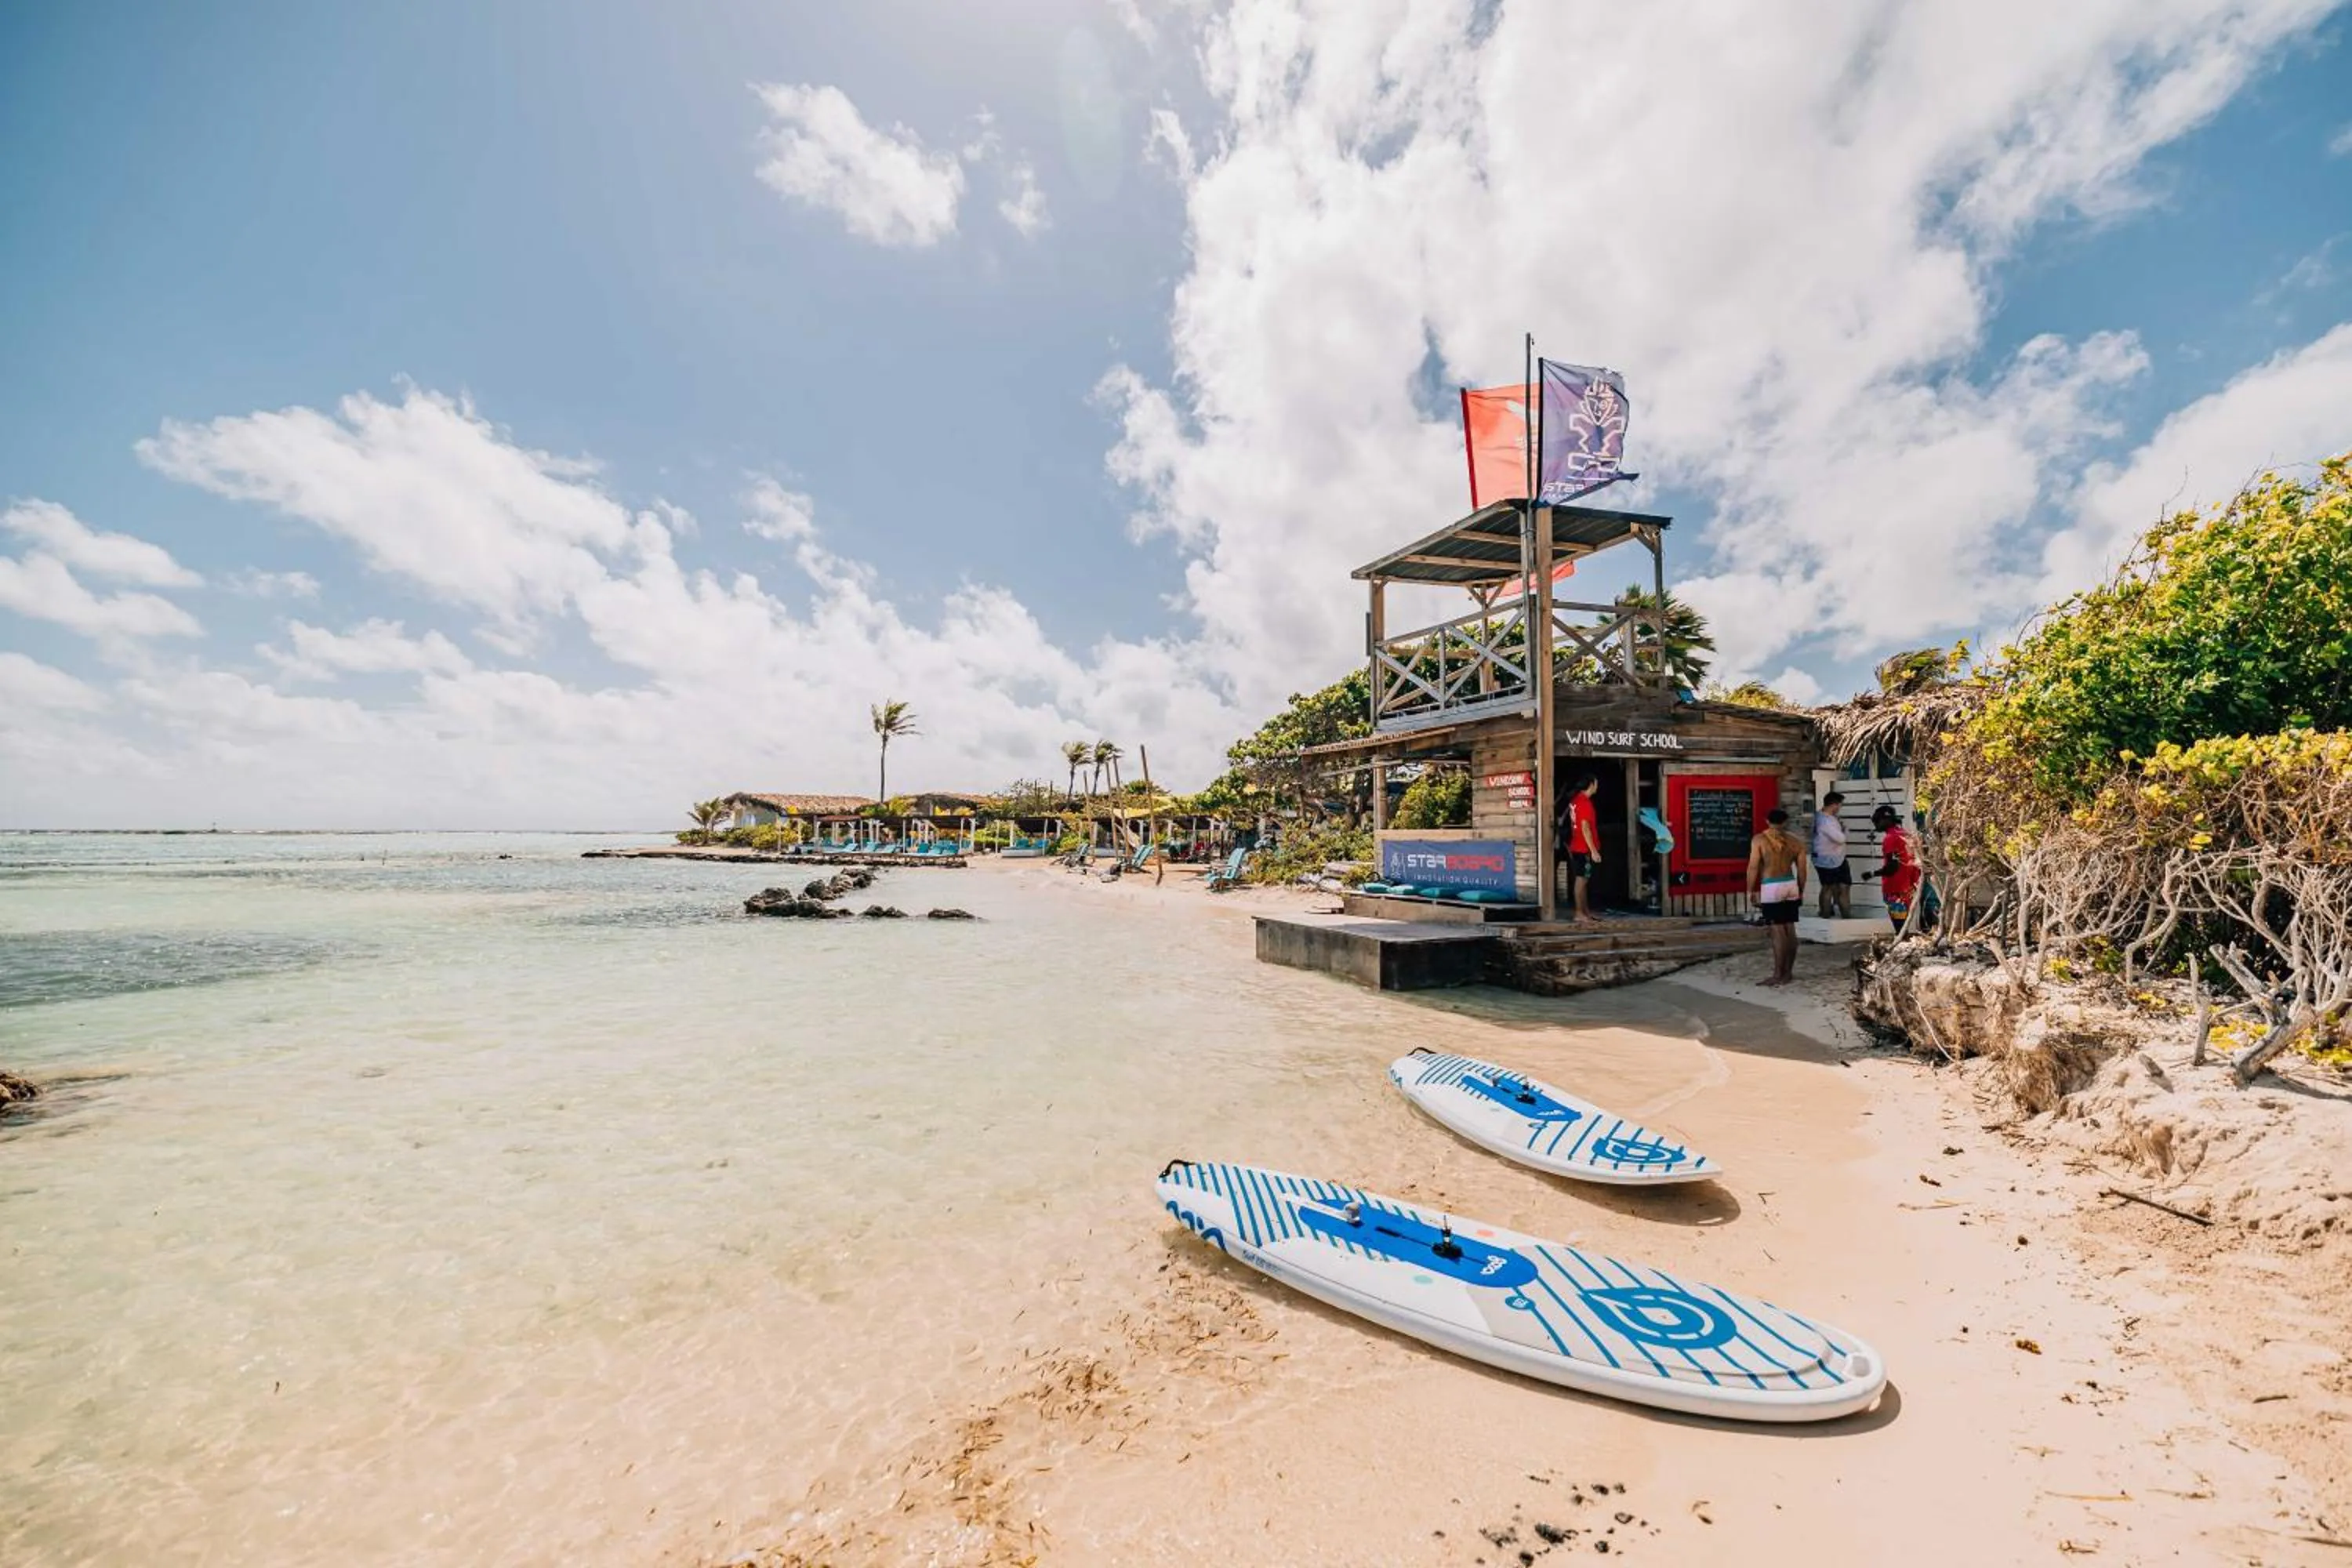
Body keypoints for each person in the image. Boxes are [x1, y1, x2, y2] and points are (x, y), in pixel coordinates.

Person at [1747, 807, 1809, 986]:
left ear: (1767, 821)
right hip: (1790, 884)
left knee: (1777, 931)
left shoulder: (1759, 840)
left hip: (1771, 886)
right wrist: (1801, 890)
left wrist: (1750, 890)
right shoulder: (1796, 842)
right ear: (1785, 822)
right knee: (1790, 929)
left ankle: (1777, 974)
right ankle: (1788, 973)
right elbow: (1803, 870)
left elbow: (1753, 867)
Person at [1863, 804, 1921, 931]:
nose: (1875, 825)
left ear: (1886, 820)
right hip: (1909, 887)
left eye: (1877, 821)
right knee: (1903, 924)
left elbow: (1892, 867)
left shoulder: (1890, 839)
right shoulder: (1905, 834)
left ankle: (1901, 947)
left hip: (1895, 888)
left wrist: (1872, 874)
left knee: (1899, 927)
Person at [1563, 772, 1602, 923]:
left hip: (1577, 845)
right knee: (1581, 880)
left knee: (1584, 879)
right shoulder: (1584, 802)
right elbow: (1585, 828)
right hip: (1583, 848)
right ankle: (1579, 913)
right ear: (1591, 785)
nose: (1597, 786)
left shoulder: (1576, 800)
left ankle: (1585, 912)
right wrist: (1593, 850)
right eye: (1596, 783)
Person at [1812, 791, 1852, 918]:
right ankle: (1826, 915)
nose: (1840, 808)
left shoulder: (1823, 816)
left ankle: (1843, 915)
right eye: (1840, 805)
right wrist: (1845, 830)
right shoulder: (1825, 821)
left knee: (1841, 887)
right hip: (1828, 860)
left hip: (1836, 858)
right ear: (1834, 805)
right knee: (1828, 887)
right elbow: (1840, 839)